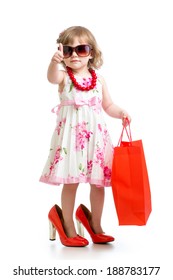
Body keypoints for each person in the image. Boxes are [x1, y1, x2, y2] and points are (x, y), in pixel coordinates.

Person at [40, 26, 131, 247]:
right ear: (62, 52)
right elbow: (51, 77)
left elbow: (107, 105)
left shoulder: (98, 80)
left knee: (98, 184)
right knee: (70, 183)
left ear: (91, 52)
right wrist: (54, 62)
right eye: (68, 50)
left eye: (81, 49)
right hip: (71, 141)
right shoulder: (64, 76)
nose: (74, 55)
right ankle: (68, 225)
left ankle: (96, 224)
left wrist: (121, 113)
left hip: (96, 141)